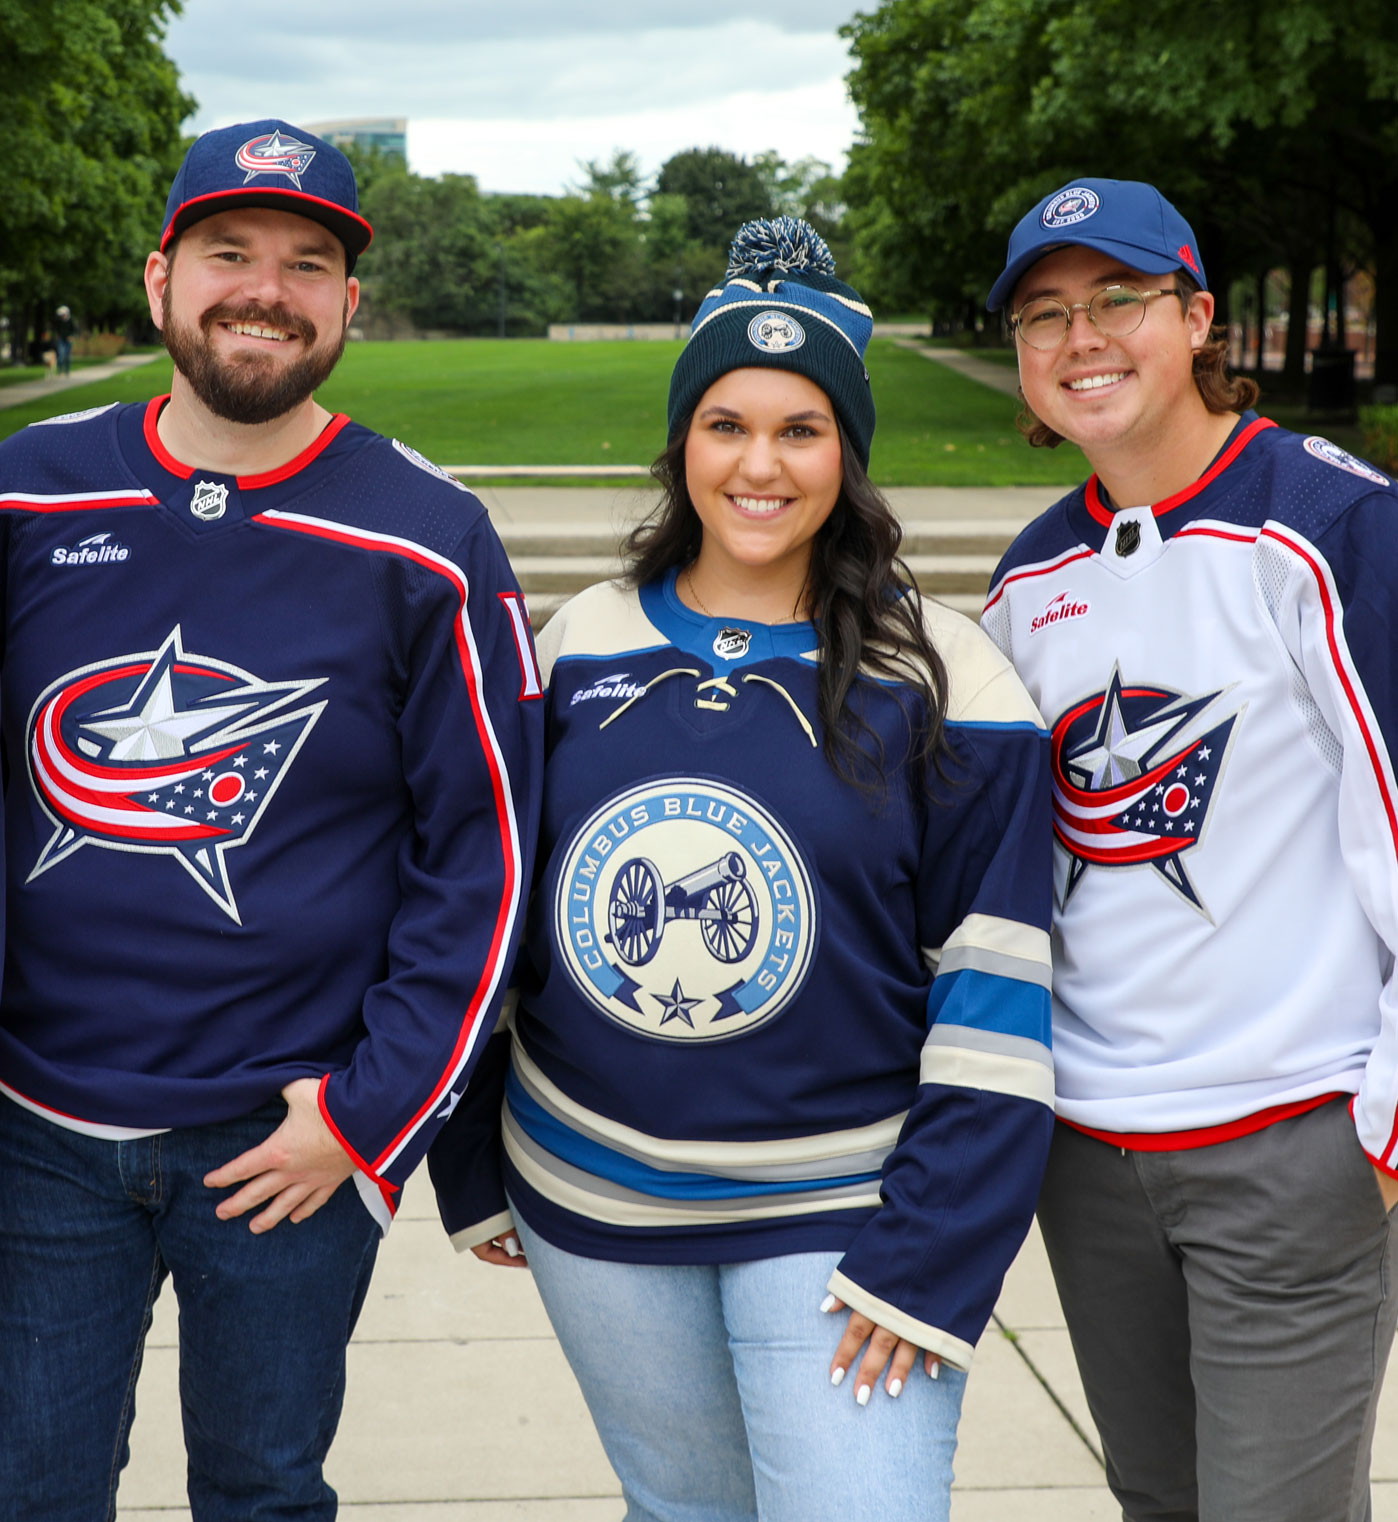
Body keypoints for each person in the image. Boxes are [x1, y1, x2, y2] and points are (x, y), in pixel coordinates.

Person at [429, 217, 1055, 1522]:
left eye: (799, 429)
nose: (758, 464)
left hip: (845, 1217)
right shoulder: (570, 644)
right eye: (725, 423)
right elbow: (489, 913)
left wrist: (932, 1253)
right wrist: (469, 1156)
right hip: (590, 1196)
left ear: (848, 453)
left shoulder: (950, 675)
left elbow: (995, 999)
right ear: (681, 442)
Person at [0, 118, 541, 1520]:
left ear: (349, 303)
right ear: (160, 277)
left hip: (284, 1142)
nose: (267, 288)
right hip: (36, 1126)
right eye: (229, 252)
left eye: (309, 263)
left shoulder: (427, 535)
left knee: (259, 1486)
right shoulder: (29, 490)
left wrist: (367, 1119)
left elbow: (483, 859)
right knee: (32, 1483)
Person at [981, 177, 1398, 1522]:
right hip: (1088, 1151)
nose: (1080, 337)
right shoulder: (1023, 583)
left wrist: (1378, 1122)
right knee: (1158, 1501)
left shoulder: (1330, 527)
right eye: (1043, 315)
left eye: (1118, 299)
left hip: (1291, 1137)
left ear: (1196, 314)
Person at [53, 303, 75, 375]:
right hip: (61, 339)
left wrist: (71, 336)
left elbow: (73, 330)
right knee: (61, 354)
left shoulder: (70, 321)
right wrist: (57, 336)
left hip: (68, 340)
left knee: (67, 355)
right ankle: (60, 369)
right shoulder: (59, 322)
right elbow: (56, 329)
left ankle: (67, 370)